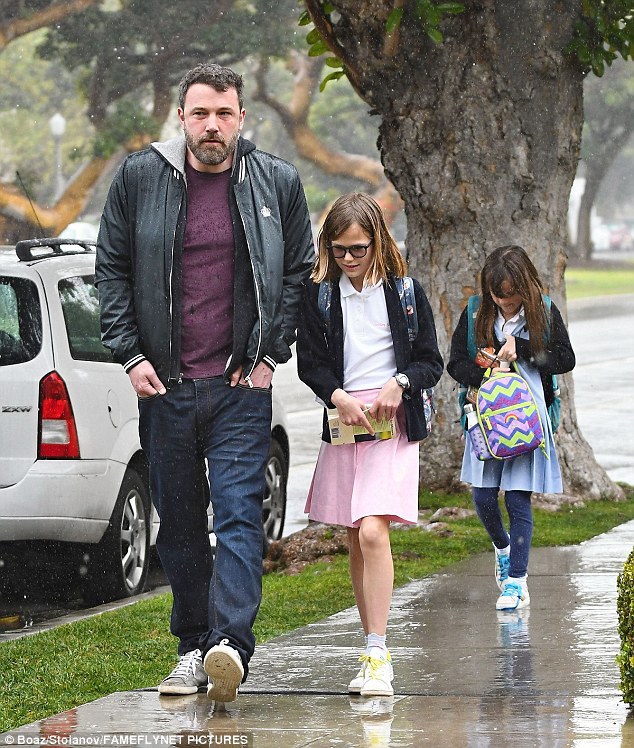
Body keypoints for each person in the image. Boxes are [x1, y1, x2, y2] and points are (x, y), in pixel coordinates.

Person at [95, 62, 314, 702]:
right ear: (182, 118)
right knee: (181, 523)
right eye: (200, 114)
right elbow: (112, 270)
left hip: (241, 388)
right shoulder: (140, 178)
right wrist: (131, 356)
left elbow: (298, 273)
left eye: (223, 113)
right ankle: (193, 646)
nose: (211, 125)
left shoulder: (276, 181)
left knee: (241, 514)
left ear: (242, 117)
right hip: (166, 387)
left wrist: (271, 355)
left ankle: (230, 646)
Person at [296, 193, 443, 697]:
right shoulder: (320, 293)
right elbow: (310, 364)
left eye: (358, 249)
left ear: (377, 241)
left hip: (391, 424)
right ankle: (369, 644)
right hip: (345, 424)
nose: (349, 259)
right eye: (339, 249)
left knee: (375, 532)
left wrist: (400, 383)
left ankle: (379, 655)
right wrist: (337, 396)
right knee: (357, 535)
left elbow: (430, 361)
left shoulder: (404, 292)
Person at [447, 245, 575, 612]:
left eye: (512, 295)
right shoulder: (476, 313)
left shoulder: (544, 311)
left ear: (527, 285)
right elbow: (455, 363)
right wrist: (487, 373)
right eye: (498, 295)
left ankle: (517, 581)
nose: (506, 303)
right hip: (487, 421)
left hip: (527, 421)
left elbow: (565, 358)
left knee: (518, 498)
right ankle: (503, 549)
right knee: (483, 497)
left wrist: (525, 349)